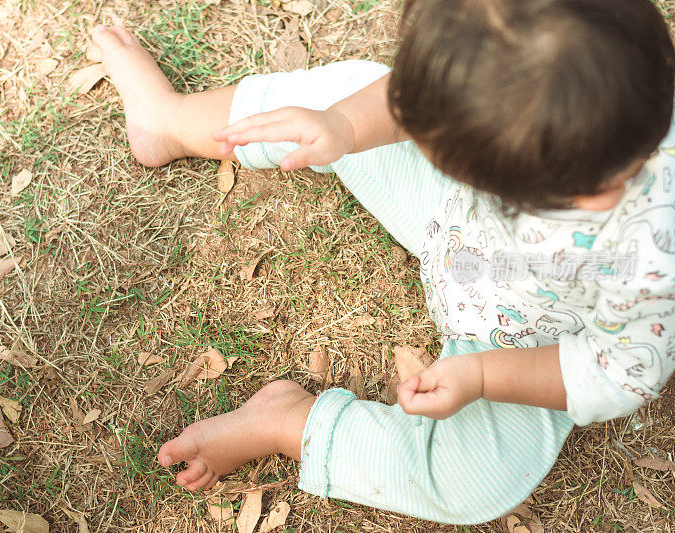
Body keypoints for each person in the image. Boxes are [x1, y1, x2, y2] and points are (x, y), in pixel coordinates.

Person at [91, 0, 675, 524]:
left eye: (436, 142)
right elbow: (422, 103)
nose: (413, 129)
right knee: (337, 102)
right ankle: (168, 119)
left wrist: (481, 376)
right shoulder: (577, 93)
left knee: (470, 482)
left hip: (527, 342)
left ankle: (285, 421)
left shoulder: (648, 259)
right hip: (454, 231)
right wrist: (342, 125)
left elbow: (615, 369)